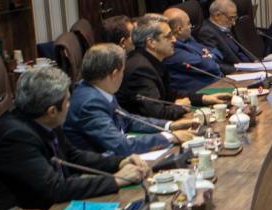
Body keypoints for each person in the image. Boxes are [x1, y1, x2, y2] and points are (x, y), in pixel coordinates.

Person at [0, 66, 148, 210]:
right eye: (68, 101)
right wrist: (116, 180)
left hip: (55, 206)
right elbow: (54, 188)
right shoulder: (15, 137)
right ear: (52, 111)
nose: (70, 105)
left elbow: (74, 156)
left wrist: (120, 162)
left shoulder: (43, 119)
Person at [64, 44, 195, 157]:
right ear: (114, 74)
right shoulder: (90, 103)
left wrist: (169, 126)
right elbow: (121, 146)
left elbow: (127, 120)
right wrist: (170, 137)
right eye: (123, 71)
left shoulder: (100, 87)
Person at [117, 14, 229, 120]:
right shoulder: (140, 68)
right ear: (151, 42)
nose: (174, 40)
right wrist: (179, 106)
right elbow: (157, 112)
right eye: (168, 36)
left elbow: (170, 94)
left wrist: (204, 98)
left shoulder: (154, 60)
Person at [164, 7, 229, 92]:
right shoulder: (172, 50)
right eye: (188, 24)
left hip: (218, 83)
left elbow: (216, 52)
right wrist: (209, 58)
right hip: (202, 92)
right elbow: (211, 66)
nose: (191, 26)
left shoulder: (188, 38)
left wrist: (208, 57)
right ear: (179, 29)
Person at [196, 0, 259, 67]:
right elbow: (216, 63)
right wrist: (239, 69)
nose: (234, 23)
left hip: (250, 66)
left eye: (235, 18)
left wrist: (255, 61)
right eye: (231, 18)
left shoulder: (224, 26)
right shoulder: (206, 32)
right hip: (238, 70)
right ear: (217, 16)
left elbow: (240, 50)